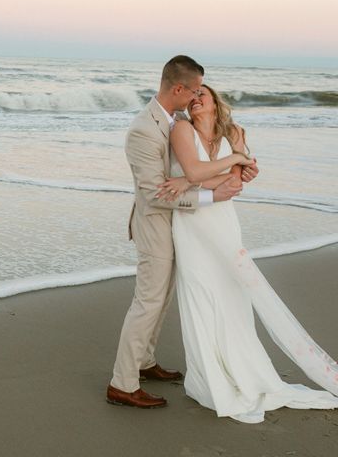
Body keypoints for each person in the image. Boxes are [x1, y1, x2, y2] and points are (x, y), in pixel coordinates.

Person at [158, 84, 338, 423]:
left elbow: (234, 184)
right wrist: (228, 163)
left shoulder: (235, 131)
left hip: (223, 222)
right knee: (200, 292)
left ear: (215, 102)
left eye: (203, 95)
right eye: (192, 96)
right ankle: (208, 377)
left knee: (234, 294)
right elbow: (199, 171)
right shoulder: (181, 129)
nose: (196, 100)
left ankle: (245, 368)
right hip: (191, 225)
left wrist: (191, 180)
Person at [107, 56, 258, 409]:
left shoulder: (174, 121)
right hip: (156, 226)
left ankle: (144, 361)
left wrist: (236, 169)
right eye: (193, 90)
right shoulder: (144, 129)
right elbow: (153, 193)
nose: (196, 97)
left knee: (161, 299)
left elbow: (194, 170)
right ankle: (122, 383)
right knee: (148, 302)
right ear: (178, 88)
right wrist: (209, 195)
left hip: (179, 226)